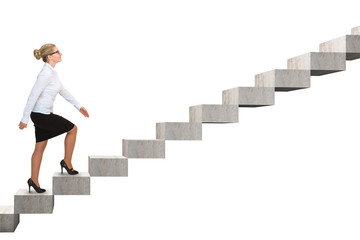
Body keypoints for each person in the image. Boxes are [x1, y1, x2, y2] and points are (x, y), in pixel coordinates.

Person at [18, 43, 89, 193]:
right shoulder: (45, 74)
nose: (61, 54)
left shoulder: (52, 74)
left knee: (39, 148)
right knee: (73, 129)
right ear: (49, 56)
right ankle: (67, 163)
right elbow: (33, 95)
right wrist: (24, 119)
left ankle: (33, 180)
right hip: (41, 115)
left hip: (42, 114)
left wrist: (79, 107)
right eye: (58, 52)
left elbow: (64, 91)